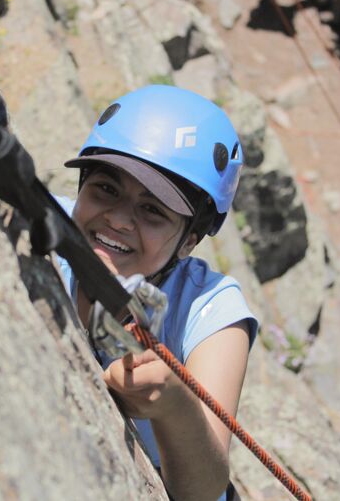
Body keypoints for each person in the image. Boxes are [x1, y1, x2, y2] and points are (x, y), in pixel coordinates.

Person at [56, 85, 258, 501]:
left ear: (191, 240)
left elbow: (202, 491)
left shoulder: (212, 309)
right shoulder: (41, 226)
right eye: (106, 189)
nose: (118, 219)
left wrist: (174, 406)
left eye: (152, 210)